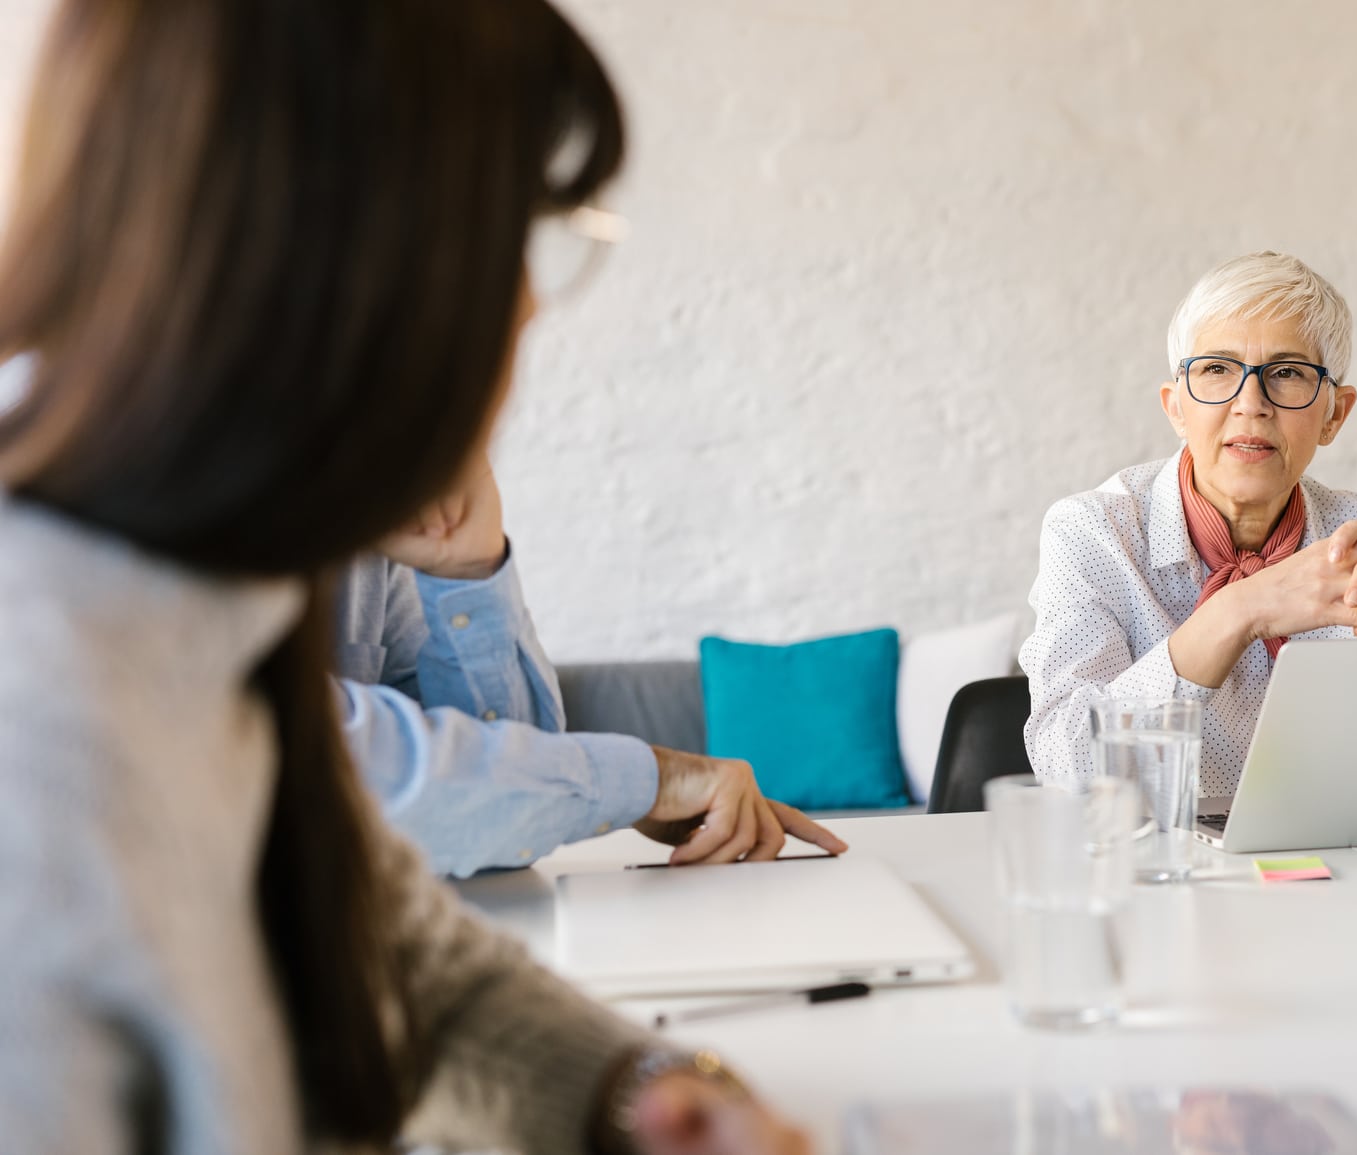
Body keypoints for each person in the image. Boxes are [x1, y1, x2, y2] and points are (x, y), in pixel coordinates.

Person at [0, 1, 808, 1152]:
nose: (529, 310)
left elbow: (385, 940)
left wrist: (635, 1096)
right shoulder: (42, 733)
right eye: (523, 240)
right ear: (357, 264)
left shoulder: (217, 594)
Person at [1021, 252, 1357, 794]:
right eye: (1217, 370)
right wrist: (1244, 609)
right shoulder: (1093, 531)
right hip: (1150, 865)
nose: (1251, 404)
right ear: (1176, 407)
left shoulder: (1356, 532)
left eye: (1288, 374)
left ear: (1334, 414)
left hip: (1329, 861)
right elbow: (1065, 767)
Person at [337, 453, 846, 878]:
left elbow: (501, 802)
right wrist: (650, 783)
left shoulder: (369, 545)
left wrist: (469, 570)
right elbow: (335, 774)